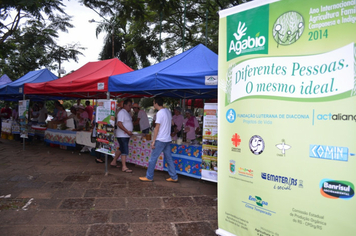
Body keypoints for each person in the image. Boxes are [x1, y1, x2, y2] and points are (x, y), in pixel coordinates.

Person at [139, 97, 178, 182]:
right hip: (167, 139)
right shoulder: (167, 111)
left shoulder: (160, 113)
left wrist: (153, 141)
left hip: (160, 139)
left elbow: (157, 127)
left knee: (152, 159)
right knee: (169, 159)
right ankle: (174, 177)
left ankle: (149, 176)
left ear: (156, 103)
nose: (153, 105)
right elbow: (172, 123)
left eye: (153, 103)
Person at [115, 98, 133, 173]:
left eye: (130, 106)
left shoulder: (127, 113)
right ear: (124, 105)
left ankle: (113, 161)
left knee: (121, 149)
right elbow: (119, 123)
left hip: (125, 135)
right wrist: (127, 131)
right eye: (129, 105)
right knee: (124, 150)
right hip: (122, 135)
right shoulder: (122, 112)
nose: (130, 107)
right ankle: (124, 167)